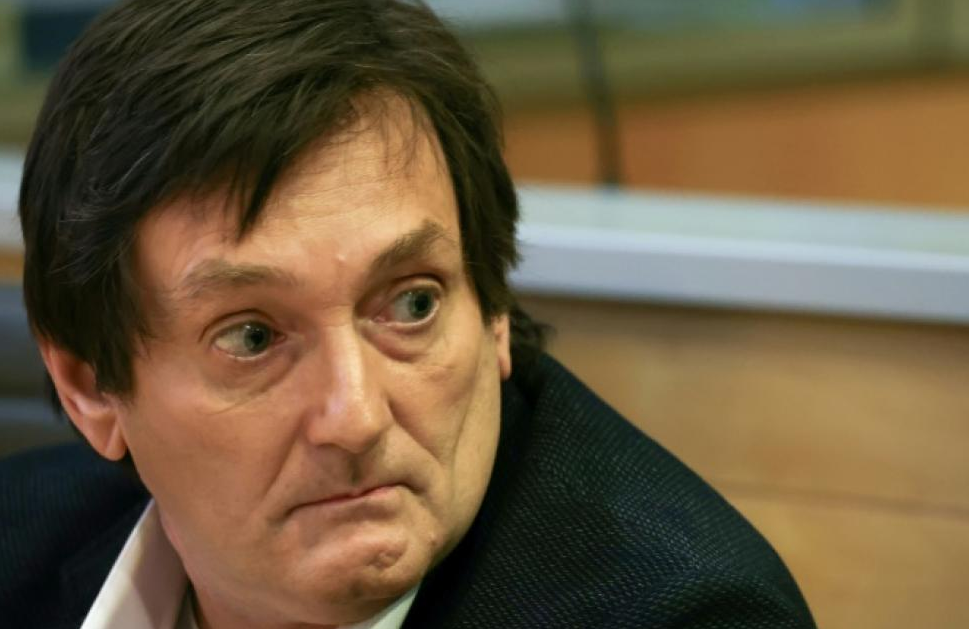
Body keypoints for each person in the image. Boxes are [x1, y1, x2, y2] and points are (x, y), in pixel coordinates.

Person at [1, 1, 816, 627]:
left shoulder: (682, 614)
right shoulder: (16, 546)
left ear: (493, 314)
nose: (355, 417)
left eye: (412, 304)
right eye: (252, 337)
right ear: (90, 389)